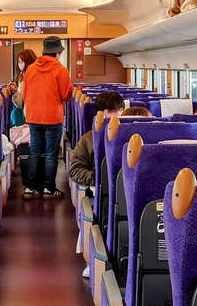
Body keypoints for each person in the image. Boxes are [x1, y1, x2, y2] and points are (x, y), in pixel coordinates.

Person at [21, 36, 72, 199]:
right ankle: (49, 188)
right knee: (51, 154)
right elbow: (66, 94)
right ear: (57, 53)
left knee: (34, 151)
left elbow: (24, 95)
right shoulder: (61, 70)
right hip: (52, 117)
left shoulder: (30, 69)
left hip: (34, 116)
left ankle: (30, 188)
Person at [68, 91, 125, 188]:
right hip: (100, 188)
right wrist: (97, 178)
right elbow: (75, 169)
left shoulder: (130, 138)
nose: (117, 115)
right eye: (111, 111)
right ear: (100, 113)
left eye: (120, 110)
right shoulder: (89, 139)